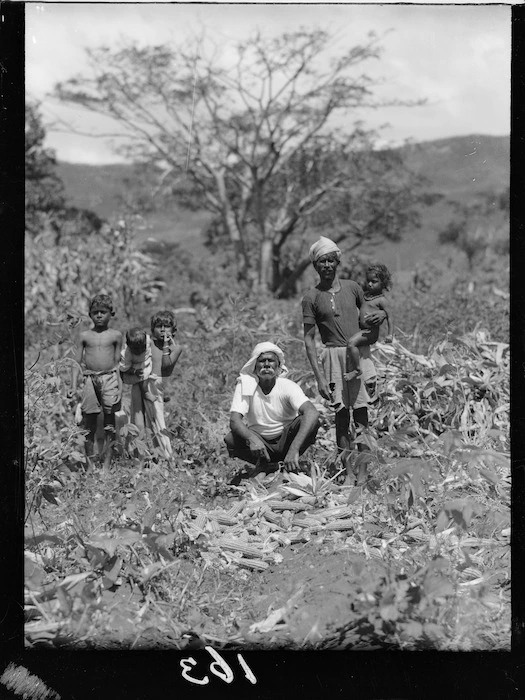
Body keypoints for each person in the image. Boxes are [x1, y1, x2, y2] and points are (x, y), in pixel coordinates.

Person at [302, 237, 386, 485]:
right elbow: (308, 339)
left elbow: (368, 319)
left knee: (361, 415)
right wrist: (318, 377)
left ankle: (363, 472)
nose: (326, 265)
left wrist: (378, 319)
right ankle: (348, 473)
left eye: (330, 260)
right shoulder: (311, 297)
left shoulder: (353, 288)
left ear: (337, 262)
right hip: (332, 358)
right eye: (321, 262)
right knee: (341, 417)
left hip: (357, 353)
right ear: (315, 266)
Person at [224, 342, 320, 477]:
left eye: (271, 361)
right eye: (262, 361)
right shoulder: (245, 386)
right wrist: (252, 439)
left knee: (310, 421)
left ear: (278, 365)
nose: (267, 364)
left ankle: (289, 460)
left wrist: (294, 449)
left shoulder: (287, 386)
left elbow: (312, 412)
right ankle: (265, 464)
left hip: (286, 440)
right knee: (231, 439)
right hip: (261, 444)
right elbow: (234, 420)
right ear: (255, 366)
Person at [68, 294, 123, 469]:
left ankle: (106, 465)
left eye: (103, 312)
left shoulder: (116, 336)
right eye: (95, 312)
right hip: (90, 379)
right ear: (90, 314)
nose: (99, 315)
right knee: (89, 421)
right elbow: (76, 362)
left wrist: (120, 388)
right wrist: (73, 385)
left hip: (109, 378)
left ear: (111, 313)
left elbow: (118, 364)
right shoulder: (85, 336)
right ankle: (90, 466)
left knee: (109, 422)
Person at [125, 310, 182, 459]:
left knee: (157, 421)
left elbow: (166, 366)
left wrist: (164, 346)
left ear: (173, 330)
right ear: (152, 329)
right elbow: (133, 346)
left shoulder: (175, 348)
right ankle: (140, 456)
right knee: (137, 420)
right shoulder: (148, 343)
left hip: (156, 385)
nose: (163, 329)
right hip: (139, 381)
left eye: (166, 326)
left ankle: (165, 456)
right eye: (158, 326)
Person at [344, 262, 394, 382]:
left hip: (370, 332)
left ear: (383, 283)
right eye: (368, 281)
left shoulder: (381, 300)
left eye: (374, 281)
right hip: (363, 330)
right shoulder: (366, 296)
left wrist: (390, 334)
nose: (370, 284)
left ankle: (357, 370)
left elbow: (390, 317)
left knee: (351, 343)